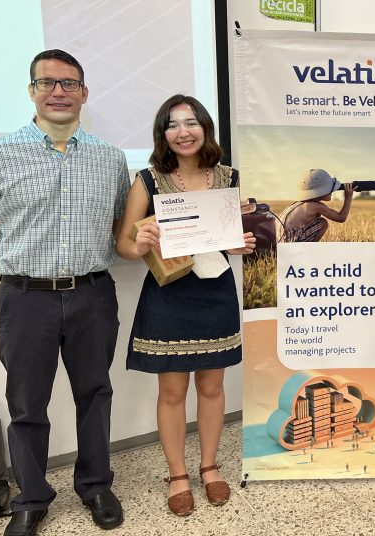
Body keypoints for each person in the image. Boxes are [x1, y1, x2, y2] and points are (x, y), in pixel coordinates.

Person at [0, 49, 130, 536]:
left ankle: (96, 485)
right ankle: (32, 498)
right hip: (25, 298)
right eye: (48, 82)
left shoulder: (110, 159)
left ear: (84, 93)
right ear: (31, 91)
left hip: (93, 295)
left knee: (94, 393)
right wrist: (29, 264)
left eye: (69, 83)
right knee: (27, 403)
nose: (59, 91)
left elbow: (117, 224)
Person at [116, 95, 255, 516]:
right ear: (163, 135)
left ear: (205, 128)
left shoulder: (229, 178)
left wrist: (242, 244)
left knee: (213, 386)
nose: (183, 132)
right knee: (172, 389)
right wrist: (138, 243)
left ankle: (209, 467)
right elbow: (123, 245)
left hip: (215, 292)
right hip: (168, 295)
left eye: (191, 123)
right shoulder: (148, 180)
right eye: (173, 125)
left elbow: (231, 237)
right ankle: (177, 474)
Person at [278, 168, 354, 242]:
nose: (332, 191)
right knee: (323, 222)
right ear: (320, 191)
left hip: (278, 242)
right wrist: (348, 197)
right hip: (287, 243)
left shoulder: (297, 204)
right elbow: (341, 218)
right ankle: (310, 249)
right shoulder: (316, 206)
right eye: (330, 189)